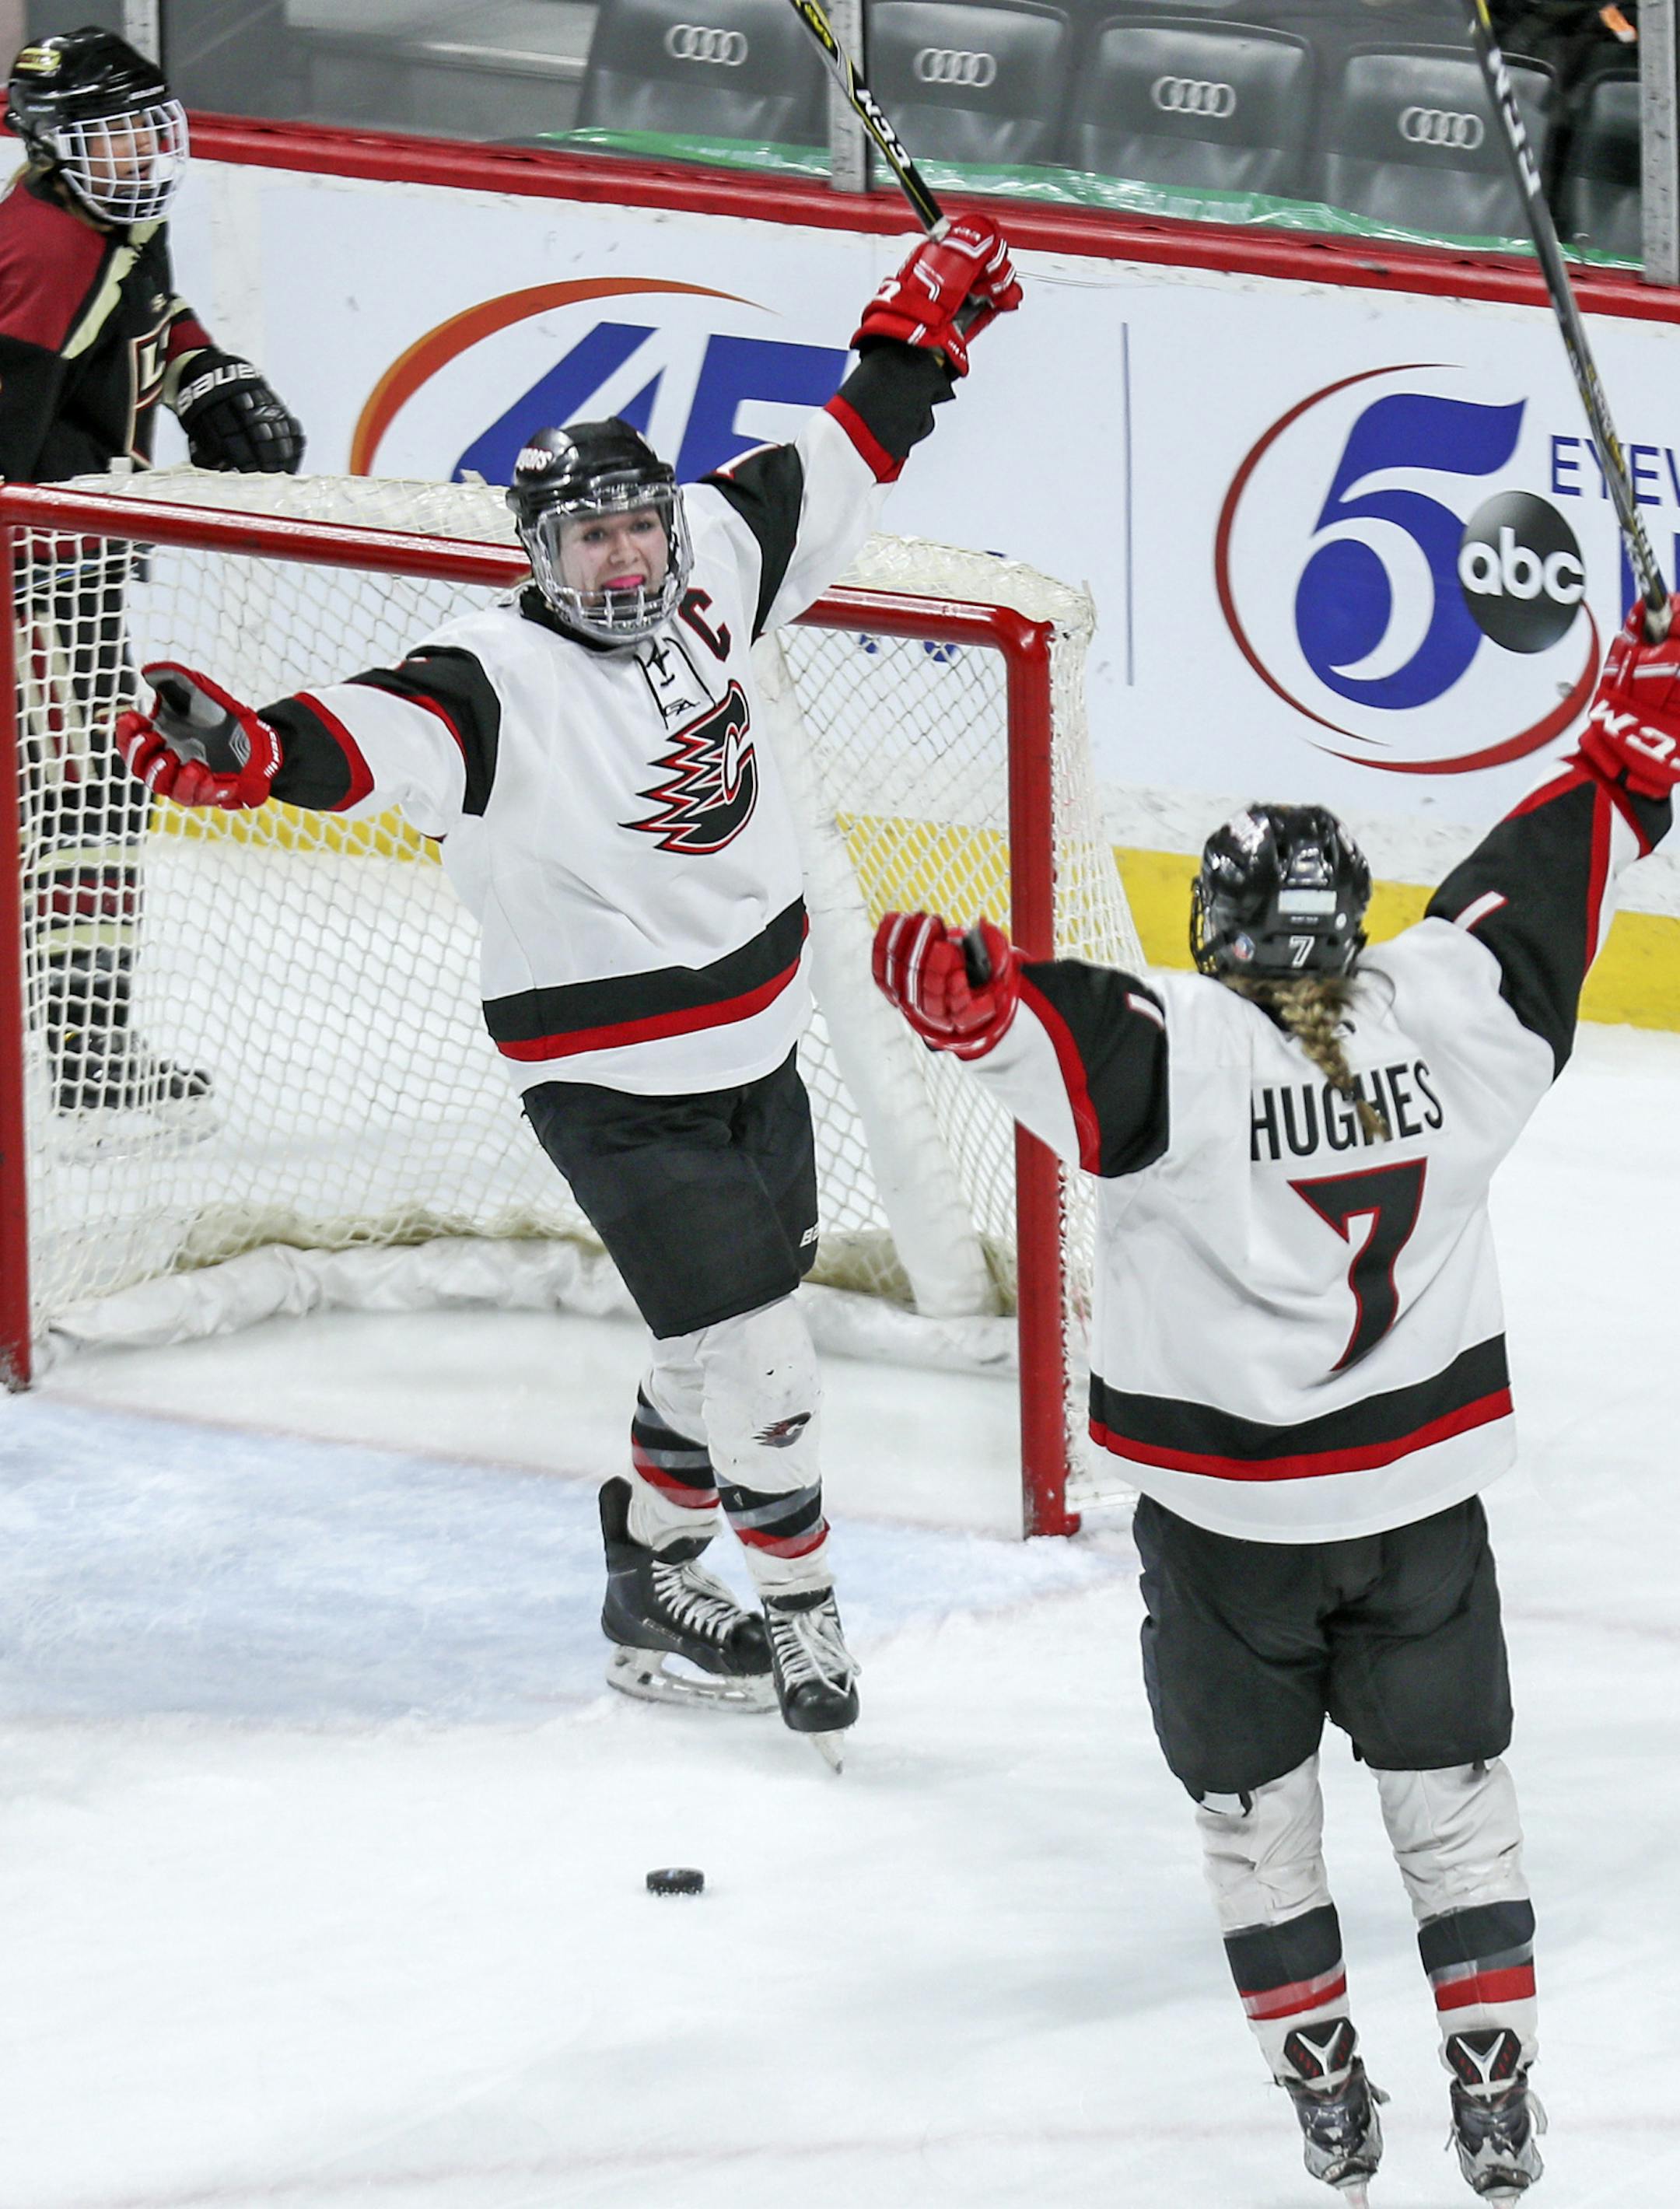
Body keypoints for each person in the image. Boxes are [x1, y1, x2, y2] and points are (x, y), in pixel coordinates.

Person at [108, 213, 1023, 1758]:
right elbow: (365, 730)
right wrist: (253, 751)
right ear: (537, 554)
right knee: (764, 1367)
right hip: (615, 1094)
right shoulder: (497, 678)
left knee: (717, 1333)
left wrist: (926, 325)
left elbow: (843, 449)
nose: (625, 555)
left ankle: (653, 1577)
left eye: (636, 527)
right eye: (588, 537)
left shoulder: (719, 562)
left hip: (755, 1053)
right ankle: (798, 1616)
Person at [872, 602, 1680, 2198]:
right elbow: (1567, 845)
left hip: (1234, 1536)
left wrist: (959, 990)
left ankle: (1322, 2098)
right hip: (1422, 1514)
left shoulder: (1185, 1046)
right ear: (1353, 927)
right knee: (1453, 1798)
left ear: (1223, 935)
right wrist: (1646, 725)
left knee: (1255, 1818)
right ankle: (1495, 2088)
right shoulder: (1464, 1004)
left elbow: (1041, 1024)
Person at [1, 26, 303, 1115]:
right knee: (82, 803)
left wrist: (205, 375)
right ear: (48, 145)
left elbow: (146, 317)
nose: (140, 157)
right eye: (111, 138)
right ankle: (87, 1070)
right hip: (31, 578)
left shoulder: (116, 219)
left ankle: (88, 1054)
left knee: (84, 804)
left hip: (71, 569)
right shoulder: (42, 251)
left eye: (146, 132)